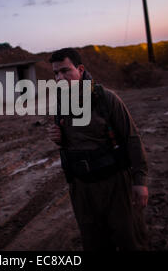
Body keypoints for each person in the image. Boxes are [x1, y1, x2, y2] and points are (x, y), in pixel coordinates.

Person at [47, 48, 149, 251]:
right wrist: (59, 139)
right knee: (94, 243)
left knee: (130, 240)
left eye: (65, 71)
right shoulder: (60, 103)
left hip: (114, 183)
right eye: (56, 73)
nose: (60, 78)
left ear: (81, 69)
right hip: (82, 188)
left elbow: (132, 138)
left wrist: (140, 181)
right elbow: (72, 142)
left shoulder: (106, 98)